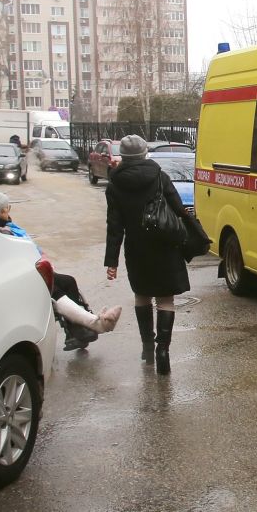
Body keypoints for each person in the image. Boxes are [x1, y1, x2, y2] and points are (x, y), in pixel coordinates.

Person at [0, 188, 120, 350]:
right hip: (17, 276)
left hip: (31, 268)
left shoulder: (6, 225)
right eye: (5, 209)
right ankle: (95, 323)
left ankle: (76, 332)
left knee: (68, 281)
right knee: (53, 289)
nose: (8, 212)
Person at [105, 133, 192, 373]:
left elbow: (115, 226)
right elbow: (179, 210)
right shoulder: (160, 177)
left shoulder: (115, 185)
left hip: (137, 249)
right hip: (164, 246)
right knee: (165, 300)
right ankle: (162, 350)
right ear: (145, 153)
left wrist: (111, 261)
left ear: (123, 156)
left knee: (142, 296)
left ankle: (146, 347)